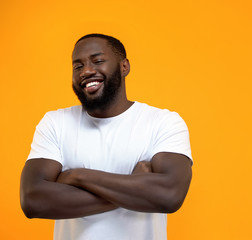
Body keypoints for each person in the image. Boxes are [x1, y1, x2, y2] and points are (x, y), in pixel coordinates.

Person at [20, 33, 193, 240]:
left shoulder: (163, 122)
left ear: (124, 66)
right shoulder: (56, 122)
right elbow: (33, 200)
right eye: (78, 66)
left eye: (98, 61)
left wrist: (77, 176)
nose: (87, 71)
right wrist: (136, 186)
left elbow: (169, 196)